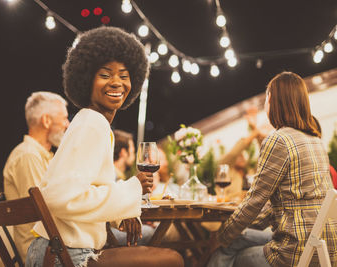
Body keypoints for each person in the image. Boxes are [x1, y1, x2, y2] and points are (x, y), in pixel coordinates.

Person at [26, 26, 184, 267]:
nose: (117, 82)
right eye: (105, 74)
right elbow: (59, 197)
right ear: (86, 79)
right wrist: (133, 189)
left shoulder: (88, 121)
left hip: (54, 249)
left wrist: (123, 209)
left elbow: (84, 189)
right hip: (63, 255)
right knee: (172, 260)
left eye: (124, 75)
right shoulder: (92, 123)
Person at [208, 72, 337, 267]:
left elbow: (254, 201)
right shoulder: (316, 141)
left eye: (267, 98)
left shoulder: (279, 139)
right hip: (326, 247)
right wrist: (236, 231)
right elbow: (273, 205)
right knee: (235, 240)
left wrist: (222, 235)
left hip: (295, 252)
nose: (265, 106)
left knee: (230, 252)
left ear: (276, 102)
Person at [3, 91, 70, 261]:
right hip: (42, 250)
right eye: (64, 118)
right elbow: (45, 212)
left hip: (53, 244)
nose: (68, 124)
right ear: (46, 120)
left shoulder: (46, 156)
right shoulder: (28, 156)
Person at [111, 129, 155, 246]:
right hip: (108, 233)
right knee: (152, 233)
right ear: (123, 152)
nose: (134, 154)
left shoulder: (118, 175)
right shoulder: (112, 175)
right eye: (132, 150)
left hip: (110, 228)